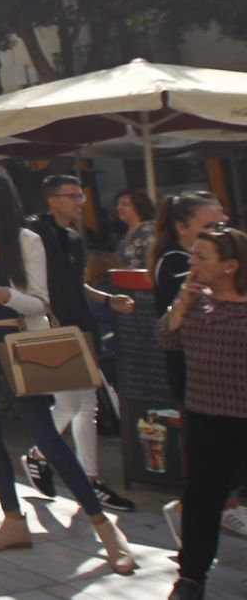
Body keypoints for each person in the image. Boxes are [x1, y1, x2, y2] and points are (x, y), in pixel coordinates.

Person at [0, 171, 134, 571]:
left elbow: (40, 301)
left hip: (16, 344)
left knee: (47, 437)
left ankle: (103, 525)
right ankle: (12, 520)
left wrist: (9, 296)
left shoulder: (26, 241)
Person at [21, 174, 137, 512]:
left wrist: (106, 300)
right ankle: (85, 477)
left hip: (80, 326)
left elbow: (75, 285)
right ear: (52, 199)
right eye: (72, 196)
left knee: (80, 405)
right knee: (77, 405)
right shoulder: (32, 233)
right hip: (50, 328)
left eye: (81, 195)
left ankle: (46, 457)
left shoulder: (72, 239)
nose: (80, 202)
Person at [156, 227, 247, 600]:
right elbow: (165, 337)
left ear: (231, 266)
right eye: (192, 254)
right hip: (205, 415)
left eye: (202, 257)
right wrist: (181, 304)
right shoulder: (194, 300)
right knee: (201, 500)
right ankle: (191, 577)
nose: (192, 263)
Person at [150, 192, 227, 403]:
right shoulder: (176, 262)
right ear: (182, 228)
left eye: (220, 227)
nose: (218, 234)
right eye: (209, 227)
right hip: (192, 367)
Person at [113, 188, 157, 271]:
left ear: (138, 206)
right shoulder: (128, 233)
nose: (119, 208)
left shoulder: (148, 230)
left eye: (125, 204)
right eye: (118, 204)